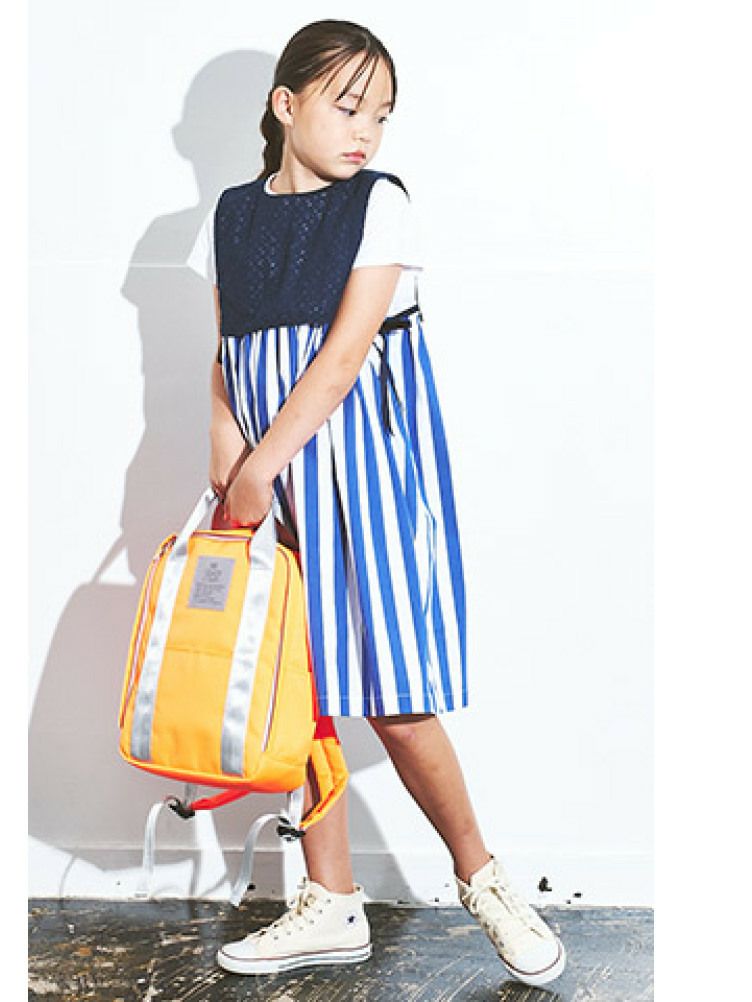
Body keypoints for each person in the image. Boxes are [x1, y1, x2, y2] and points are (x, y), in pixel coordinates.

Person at [185, 19, 566, 987]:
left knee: (395, 696)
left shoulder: (379, 203)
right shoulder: (231, 215)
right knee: (299, 689)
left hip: (361, 469)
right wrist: (228, 461)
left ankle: (483, 880)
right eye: (348, 106)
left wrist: (261, 466)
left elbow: (346, 356)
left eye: (382, 115)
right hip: (268, 471)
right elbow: (227, 355)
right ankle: (331, 899)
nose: (366, 131)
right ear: (285, 105)